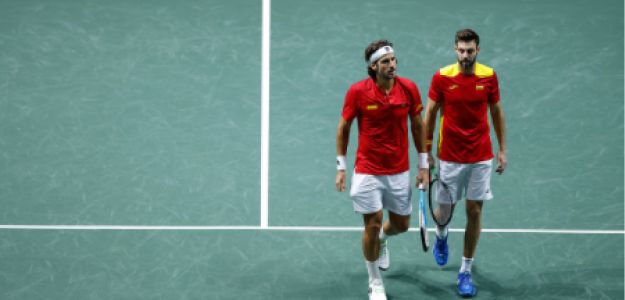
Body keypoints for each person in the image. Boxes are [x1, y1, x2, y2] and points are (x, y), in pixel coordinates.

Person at [335, 40, 429, 300]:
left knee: (401, 225)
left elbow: (418, 126)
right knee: (372, 225)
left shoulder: (408, 89)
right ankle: (375, 282)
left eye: (393, 60)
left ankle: (385, 239)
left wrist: (424, 165)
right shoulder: (358, 92)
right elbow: (343, 127)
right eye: (385, 62)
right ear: (373, 66)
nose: (392, 65)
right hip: (368, 170)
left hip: (398, 170)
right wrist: (341, 167)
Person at [423, 28, 507, 297]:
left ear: (477, 51)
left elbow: (496, 112)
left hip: (481, 157)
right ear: (455, 49)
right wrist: (426, 153)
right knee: (444, 212)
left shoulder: (489, 76)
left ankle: (465, 271)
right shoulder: (442, 77)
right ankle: (441, 236)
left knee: (474, 212)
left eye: (470, 51)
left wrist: (502, 149)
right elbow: (430, 115)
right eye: (461, 50)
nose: (465, 55)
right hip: (449, 156)